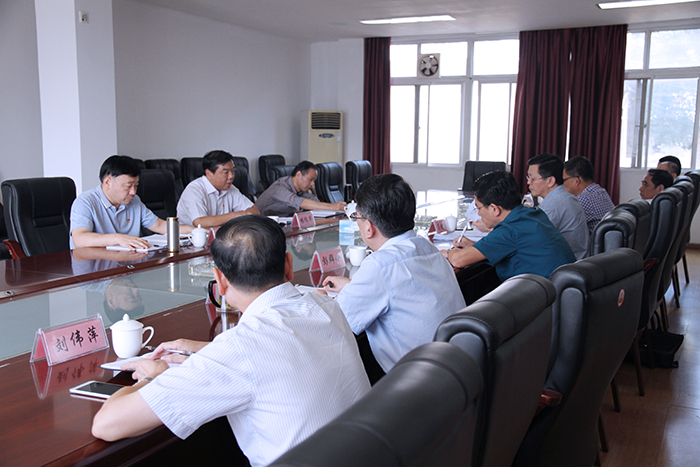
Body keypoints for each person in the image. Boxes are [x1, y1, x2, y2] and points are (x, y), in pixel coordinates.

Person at [91, 216, 370, 467]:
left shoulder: (240, 349)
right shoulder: (325, 306)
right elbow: (283, 350)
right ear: (288, 265)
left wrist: (152, 377)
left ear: (220, 282)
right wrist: (207, 350)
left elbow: (106, 424)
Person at [322, 174, 466, 374]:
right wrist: (352, 287)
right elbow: (404, 288)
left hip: (420, 382)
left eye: (357, 217)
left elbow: (336, 321)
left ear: (369, 227)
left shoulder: (380, 265)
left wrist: (319, 298)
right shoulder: (427, 247)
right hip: (457, 370)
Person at [444, 171, 576, 281]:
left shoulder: (510, 230)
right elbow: (506, 246)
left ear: (494, 209)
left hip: (546, 299)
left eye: (478, 208)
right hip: (564, 292)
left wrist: (450, 251)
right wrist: (473, 246)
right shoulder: (532, 213)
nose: (478, 214)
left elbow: (457, 260)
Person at [70, 155, 193, 250]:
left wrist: (195, 231)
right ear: (108, 182)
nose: (133, 192)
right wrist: (118, 238)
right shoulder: (85, 202)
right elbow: (79, 238)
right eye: (128, 186)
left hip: (128, 264)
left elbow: (160, 225)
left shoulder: (134, 201)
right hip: (95, 267)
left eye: (136, 186)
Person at [527, 153, 589, 260]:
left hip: (566, 265)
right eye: (528, 177)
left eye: (533, 178)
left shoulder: (554, 204)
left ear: (550, 181)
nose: (528, 182)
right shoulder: (563, 196)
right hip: (577, 260)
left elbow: (532, 240)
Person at [177, 150, 258, 228]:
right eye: (226, 172)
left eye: (233, 171)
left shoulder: (230, 188)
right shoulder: (194, 190)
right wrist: (235, 215)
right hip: (191, 236)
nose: (231, 176)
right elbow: (200, 223)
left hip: (222, 235)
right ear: (209, 173)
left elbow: (254, 211)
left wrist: (244, 214)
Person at [255, 161, 346, 216]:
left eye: (314, 181)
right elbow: (300, 202)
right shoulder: (279, 187)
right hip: (261, 224)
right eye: (310, 179)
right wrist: (331, 206)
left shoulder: (301, 190)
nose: (312, 184)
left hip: (282, 222)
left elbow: (315, 203)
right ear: (298, 174)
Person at [563, 156, 615, 234]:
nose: (562, 184)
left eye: (564, 180)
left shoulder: (583, 200)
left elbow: (562, 224)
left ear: (576, 181)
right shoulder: (599, 191)